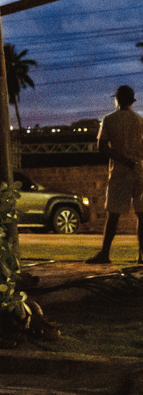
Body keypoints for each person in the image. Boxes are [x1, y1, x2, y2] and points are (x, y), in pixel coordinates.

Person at [86, 85, 143, 265]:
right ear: (132, 101)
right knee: (141, 214)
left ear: (117, 100)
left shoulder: (109, 120)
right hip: (140, 170)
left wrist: (124, 160)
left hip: (119, 172)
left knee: (113, 214)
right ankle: (142, 256)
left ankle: (105, 254)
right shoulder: (140, 120)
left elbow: (102, 147)